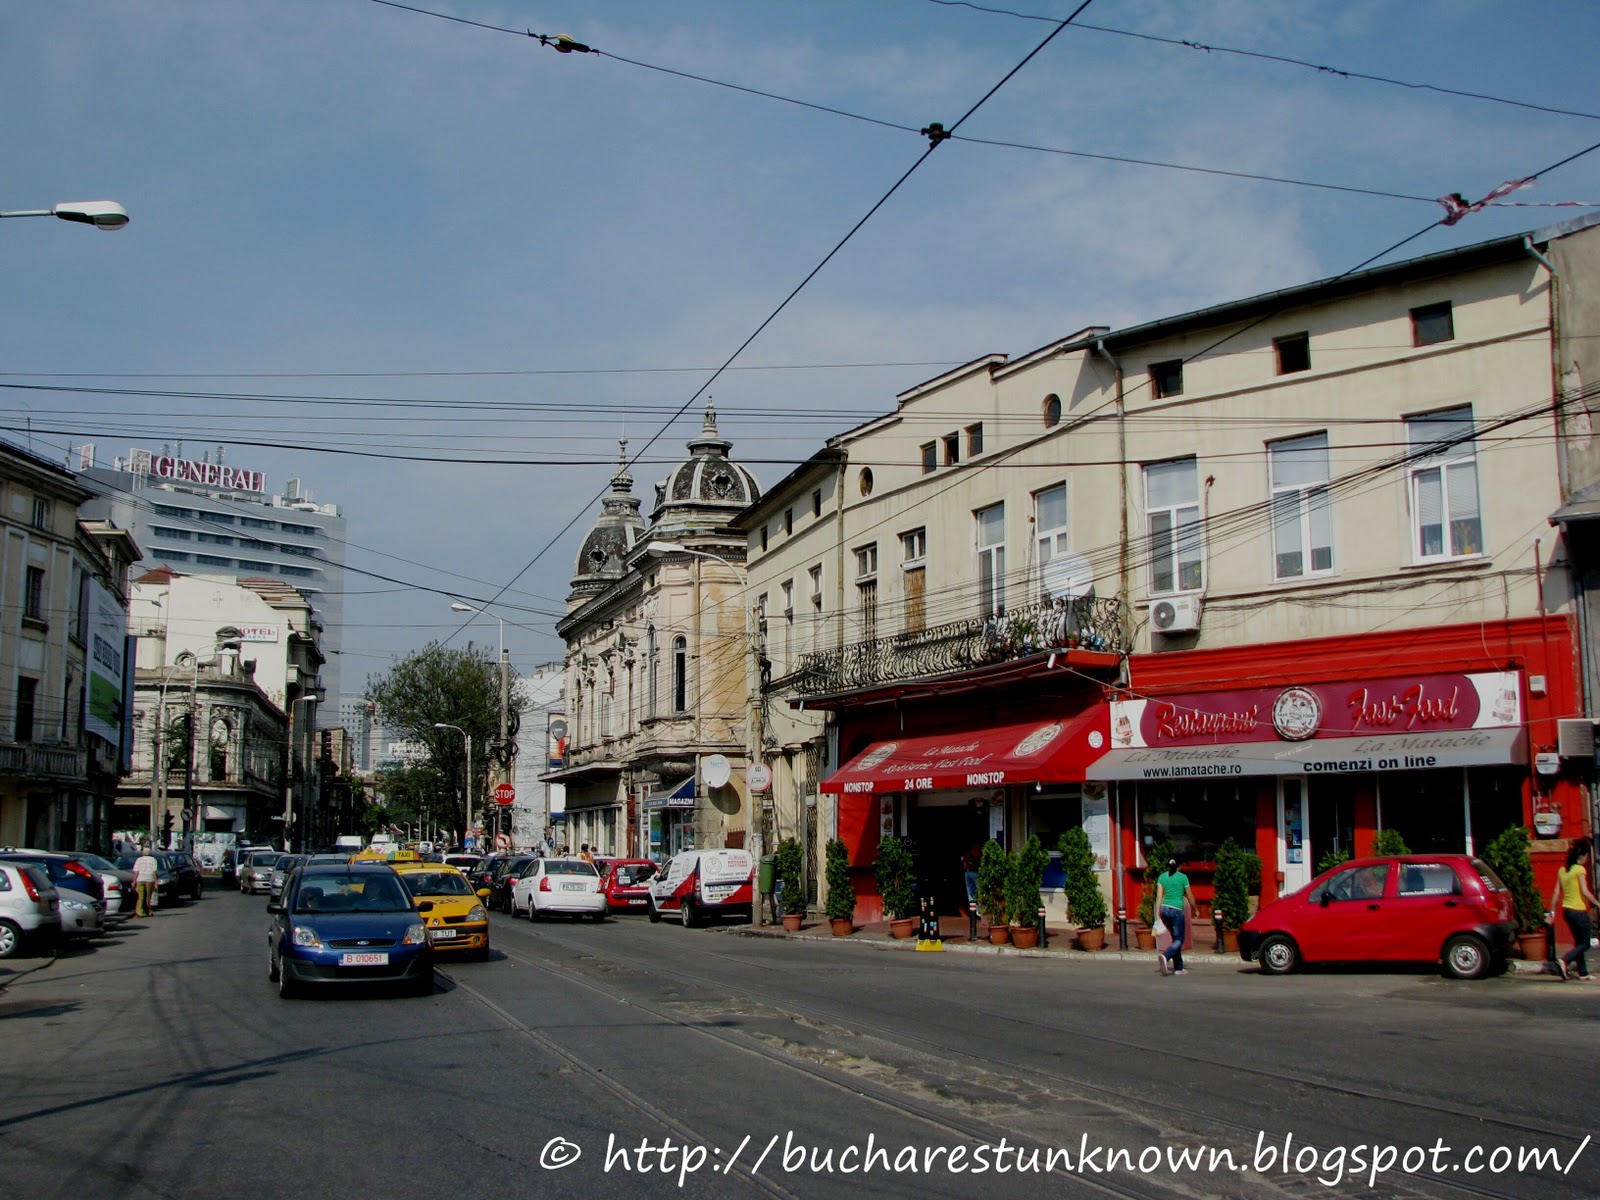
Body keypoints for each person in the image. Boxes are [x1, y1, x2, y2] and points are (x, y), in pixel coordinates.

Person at [1550, 839, 1598, 981]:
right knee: (1586, 943)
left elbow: (1556, 893)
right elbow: (1585, 891)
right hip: (1579, 911)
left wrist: (1552, 912)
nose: (1587, 860)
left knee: (1579, 942)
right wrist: (1598, 904)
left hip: (1567, 912)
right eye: (1586, 857)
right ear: (1581, 856)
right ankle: (1565, 960)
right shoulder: (1580, 870)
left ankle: (1583, 972)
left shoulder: (1562, 870)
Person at [1154, 856, 1195, 977]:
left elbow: (1159, 896)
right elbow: (1190, 895)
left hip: (1164, 909)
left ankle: (1179, 967)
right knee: (1179, 939)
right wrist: (1195, 909)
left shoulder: (1162, 877)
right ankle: (1165, 956)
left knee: (1175, 938)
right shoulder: (1183, 877)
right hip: (1177, 909)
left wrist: (1157, 914)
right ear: (1179, 866)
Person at [132, 844, 159, 918]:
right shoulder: (153, 860)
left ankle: (139, 912)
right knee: (148, 896)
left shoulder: (139, 859)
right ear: (150, 853)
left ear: (143, 853)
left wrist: (134, 881)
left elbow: (136, 871)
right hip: (149, 879)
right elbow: (154, 872)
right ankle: (149, 911)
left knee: (140, 896)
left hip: (140, 879)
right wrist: (156, 882)